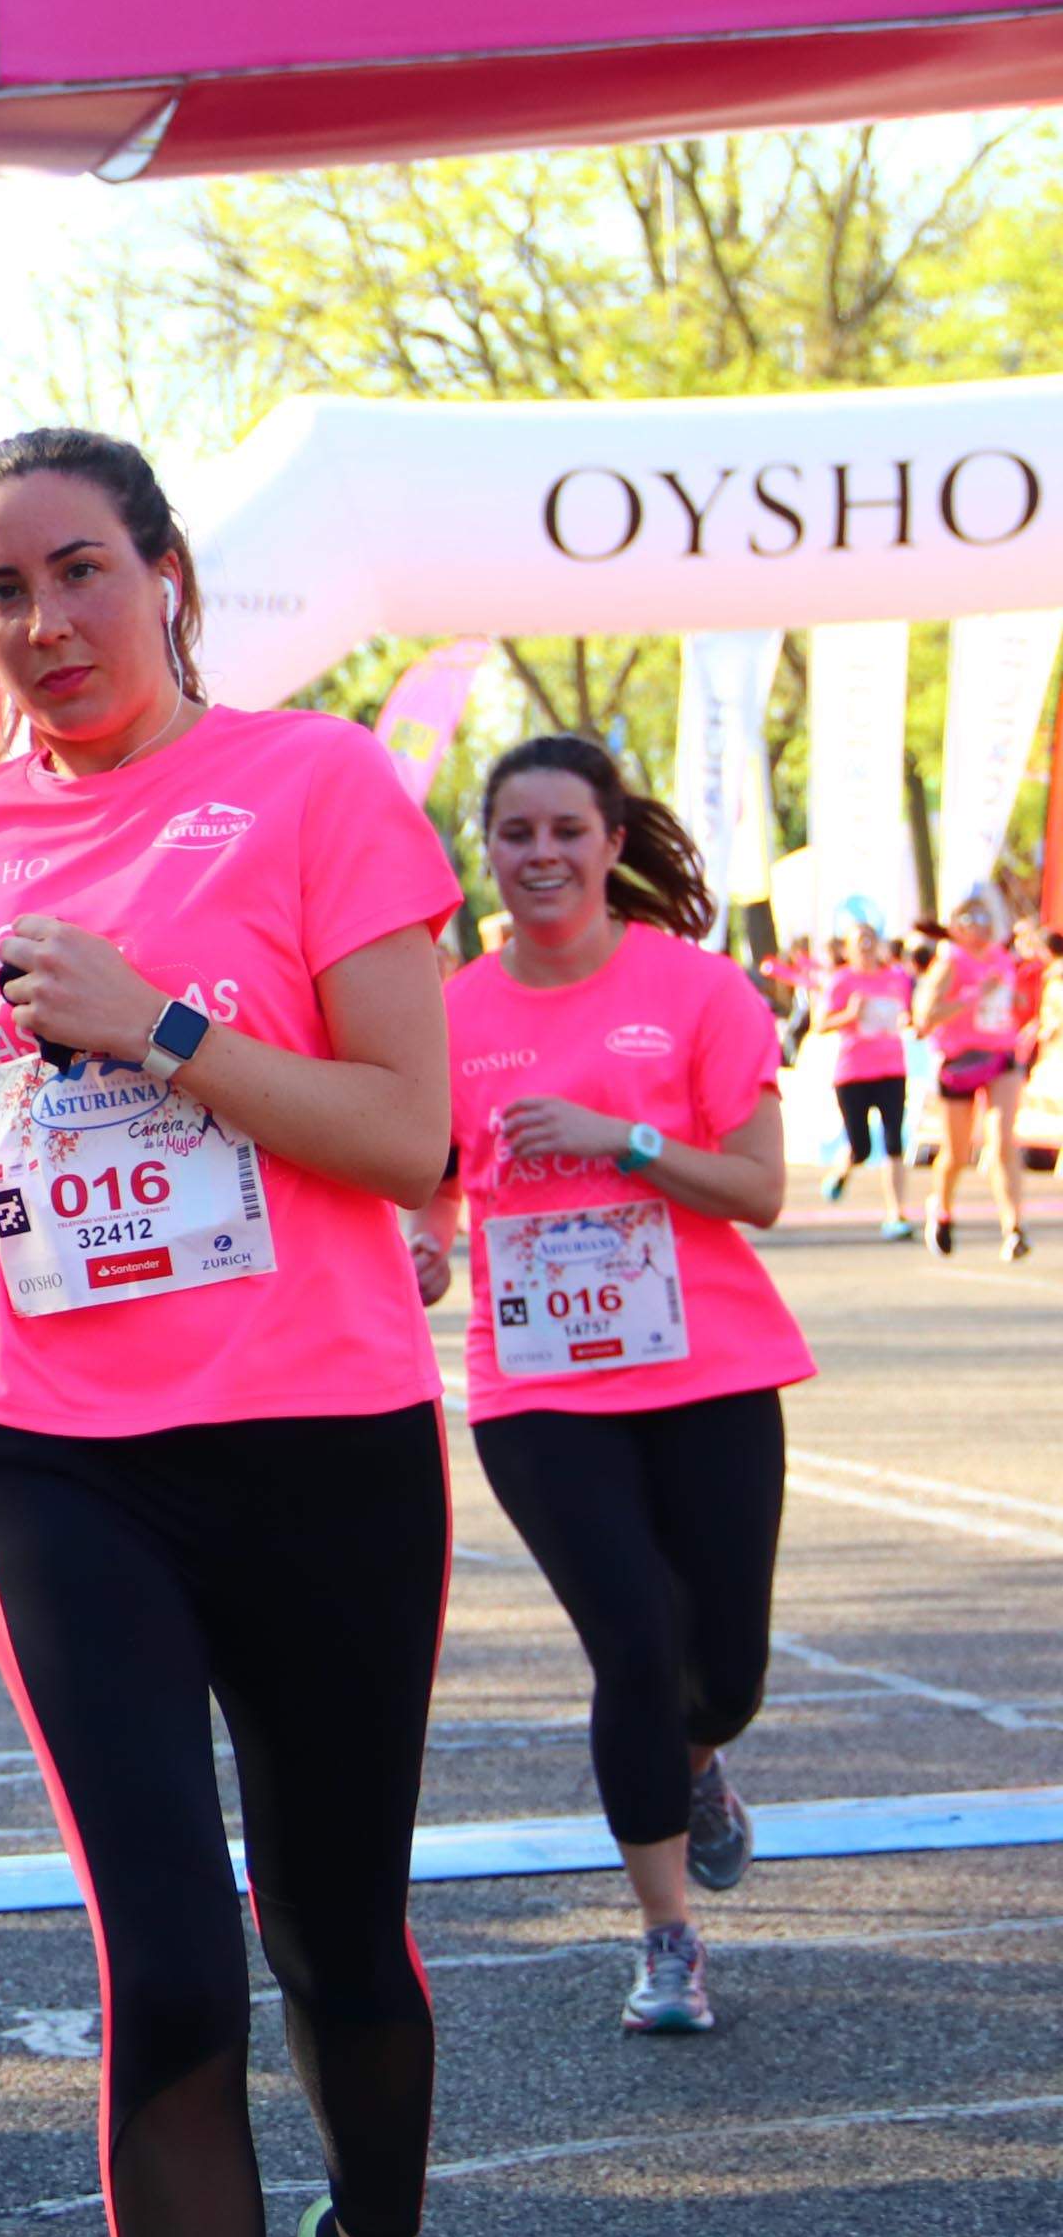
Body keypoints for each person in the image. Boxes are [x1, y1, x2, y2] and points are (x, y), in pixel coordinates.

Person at [0, 427, 460, 2237]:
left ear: (167, 573)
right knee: (172, 1972)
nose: (42, 622)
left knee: (336, 1939)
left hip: (322, 1437)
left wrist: (165, 1025)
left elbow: (408, 1137)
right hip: (60, 1452)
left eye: (77, 570)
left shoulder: (315, 785)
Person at [419, 737, 806, 2038]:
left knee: (726, 1670)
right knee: (634, 1642)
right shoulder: (451, 1014)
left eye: (566, 831)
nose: (541, 855)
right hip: (542, 1390)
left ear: (612, 843)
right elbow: (428, 1182)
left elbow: (759, 1188)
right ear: (488, 850)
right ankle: (666, 1935)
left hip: (711, 1370)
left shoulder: (696, 990)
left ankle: (699, 1761)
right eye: (515, 833)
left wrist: (622, 1139)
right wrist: (425, 1242)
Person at [917, 888, 1032, 1259]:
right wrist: (972, 996)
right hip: (960, 1062)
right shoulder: (949, 962)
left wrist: (1013, 1001)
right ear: (956, 926)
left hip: (1000, 1055)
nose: (981, 926)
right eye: (971, 919)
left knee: (1002, 1141)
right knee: (957, 1154)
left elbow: (1009, 1002)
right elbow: (925, 1017)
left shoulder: (1001, 957)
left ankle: (1013, 1227)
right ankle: (941, 1209)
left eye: (986, 918)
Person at [810, 921, 919, 1238]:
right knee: (861, 1146)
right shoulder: (842, 981)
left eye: (870, 940)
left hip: (892, 1069)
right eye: (860, 942)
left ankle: (896, 1213)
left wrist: (907, 1020)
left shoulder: (895, 978)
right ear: (848, 949)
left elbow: (906, 1014)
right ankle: (842, 1171)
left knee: (894, 1141)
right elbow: (820, 1024)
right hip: (854, 1071)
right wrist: (850, 1014)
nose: (867, 948)